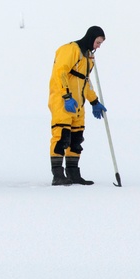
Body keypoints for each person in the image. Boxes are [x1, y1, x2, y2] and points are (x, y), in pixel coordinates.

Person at [48, 26, 107, 186]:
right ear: (91, 38)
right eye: (97, 42)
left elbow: (85, 82)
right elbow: (60, 73)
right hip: (63, 102)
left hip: (78, 105)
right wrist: (66, 96)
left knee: (76, 139)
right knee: (62, 137)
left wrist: (94, 101)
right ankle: (58, 174)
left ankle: (73, 173)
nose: (98, 46)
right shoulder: (71, 50)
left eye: (100, 43)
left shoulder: (88, 57)